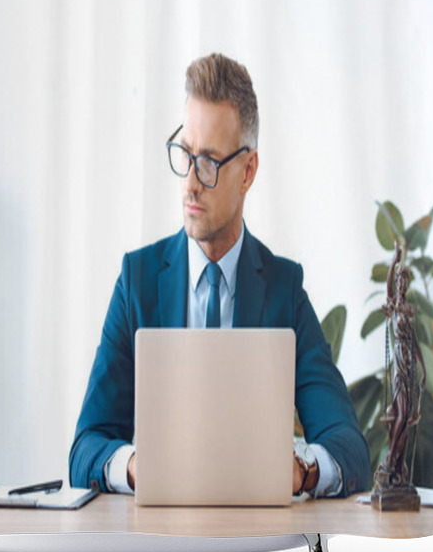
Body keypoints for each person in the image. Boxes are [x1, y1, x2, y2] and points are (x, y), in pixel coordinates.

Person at [69, 53, 370, 498]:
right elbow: (84, 450)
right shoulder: (138, 281)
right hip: (154, 544)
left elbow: (351, 448)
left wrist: (303, 471)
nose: (190, 182)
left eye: (208, 162)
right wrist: (134, 466)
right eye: (185, 155)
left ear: (247, 171)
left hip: (252, 546)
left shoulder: (283, 289)